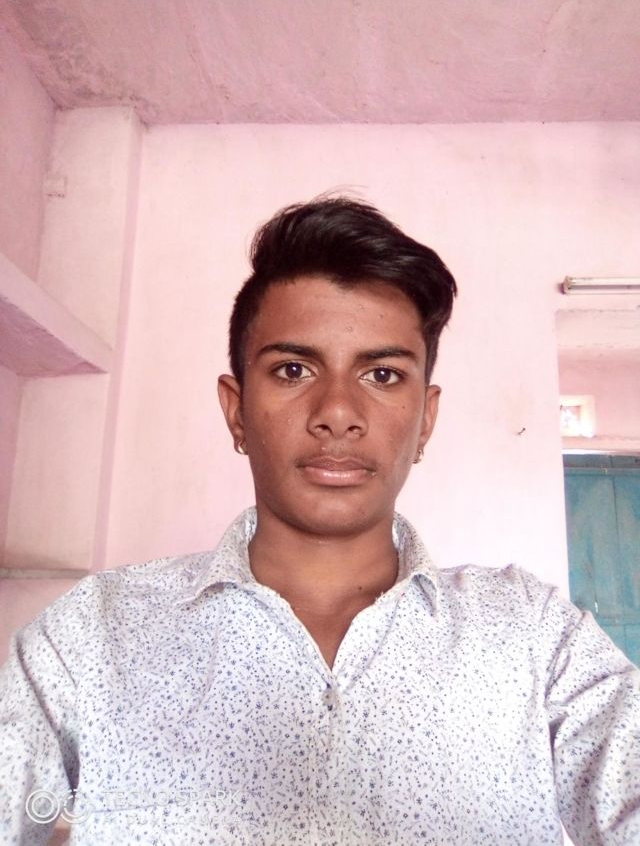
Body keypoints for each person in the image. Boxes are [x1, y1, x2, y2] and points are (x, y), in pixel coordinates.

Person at [1, 197, 638, 846]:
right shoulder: (94, 635)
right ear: (237, 411)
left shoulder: (532, 635)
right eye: (294, 369)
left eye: (382, 374)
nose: (337, 411)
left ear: (426, 420)